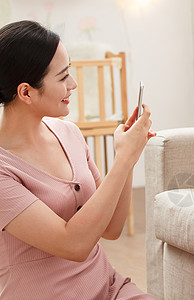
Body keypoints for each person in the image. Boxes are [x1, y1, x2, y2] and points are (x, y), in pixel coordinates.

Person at [0, 20, 157, 298]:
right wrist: (122, 159)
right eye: (62, 78)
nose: (73, 84)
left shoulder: (69, 133)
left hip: (107, 287)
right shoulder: (3, 169)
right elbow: (73, 245)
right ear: (26, 92)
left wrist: (128, 158)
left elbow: (111, 228)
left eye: (69, 72)